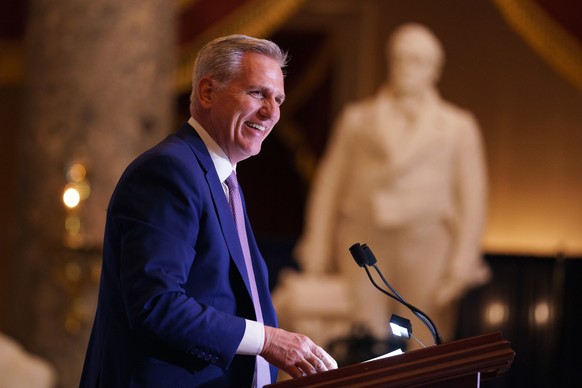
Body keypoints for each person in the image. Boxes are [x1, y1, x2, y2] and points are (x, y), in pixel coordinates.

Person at [80, 34, 337, 387]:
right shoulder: (168, 171)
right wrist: (267, 339)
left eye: (278, 99)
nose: (272, 112)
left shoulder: (223, 180)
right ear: (206, 92)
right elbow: (157, 304)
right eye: (257, 93)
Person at [293, 23, 491, 349]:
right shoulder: (358, 119)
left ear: (434, 69)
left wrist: (461, 264)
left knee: (424, 338)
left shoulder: (457, 126)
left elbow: (473, 198)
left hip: (427, 243)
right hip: (364, 238)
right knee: (364, 337)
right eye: (399, 59)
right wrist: (317, 244)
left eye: (416, 61)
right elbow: (329, 184)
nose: (406, 68)